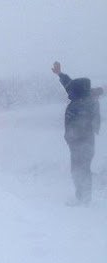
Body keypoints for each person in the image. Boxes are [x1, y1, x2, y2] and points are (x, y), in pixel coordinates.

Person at [52, 61, 101, 206]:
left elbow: (82, 127)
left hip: (82, 144)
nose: (69, 91)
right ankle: (82, 197)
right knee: (79, 170)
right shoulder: (84, 98)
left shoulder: (83, 105)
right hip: (79, 144)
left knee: (81, 170)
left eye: (73, 90)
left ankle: (83, 199)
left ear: (78, 92)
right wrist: (60, 74)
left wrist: (72, 138)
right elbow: (69, 85)